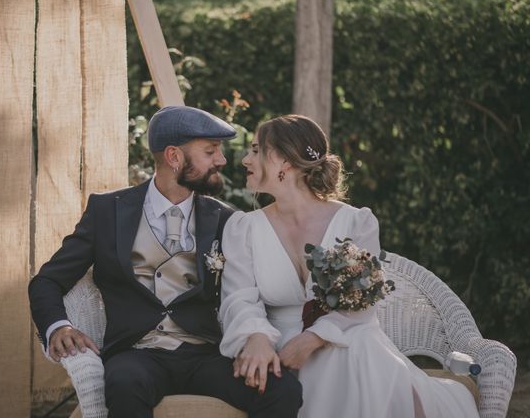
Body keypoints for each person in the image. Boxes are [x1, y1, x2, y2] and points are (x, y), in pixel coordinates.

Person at [28, 106, 302, 418]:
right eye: (210, 151)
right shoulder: (107, 211)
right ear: (173, 157)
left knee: (282, 389)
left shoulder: (225, 219)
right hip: (135, 354)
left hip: (206, 355)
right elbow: (47, 280)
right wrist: (58, 326)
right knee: (123, 383)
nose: (222, 161)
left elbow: (245, 290)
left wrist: (256, 338)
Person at [219, 114, 480, 418]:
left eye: (254, 150)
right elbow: (239, 298)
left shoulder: (356, 222)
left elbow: (362, 306)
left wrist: (314, 339)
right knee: (351, 352)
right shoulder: (243, 228)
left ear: (282, 161)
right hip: (278, 345)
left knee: (351, 347)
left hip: (345, 337)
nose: (245, 160)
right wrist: (257, 337)